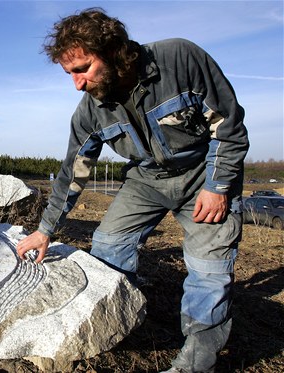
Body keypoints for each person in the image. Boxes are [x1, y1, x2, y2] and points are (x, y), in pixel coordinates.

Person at [16, 7, 249, 373]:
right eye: (69, 74)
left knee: (208, 272)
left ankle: (195, 363)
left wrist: (218, 187)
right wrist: (45, 231)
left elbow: (229, 126)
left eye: (82, 69)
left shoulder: (179, 59)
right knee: (108, 245)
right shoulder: (90, 111)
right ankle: (121, 319)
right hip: (146, 180)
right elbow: (73, 172)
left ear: (111, 51)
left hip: (203, 176)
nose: (76, 83)